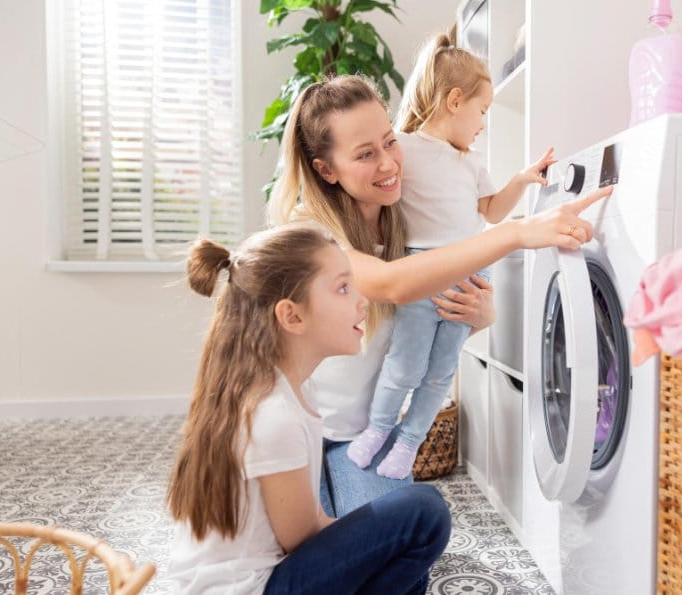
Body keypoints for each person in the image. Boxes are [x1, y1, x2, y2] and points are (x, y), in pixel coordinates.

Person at [269, 75, 611, 518]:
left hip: (367, 435)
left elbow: (415, 326)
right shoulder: (311, 233)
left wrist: (476, 319)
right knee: (319, 554)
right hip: (301, 434)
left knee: (400, 544)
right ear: (326, 170)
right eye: (365, 154)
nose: (389, 163)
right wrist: (516, 233)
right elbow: (391, 284)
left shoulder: (411, 224)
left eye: (390, 142)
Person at [166, 223, 451, 594]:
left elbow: (313, 527)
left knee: (408, 560)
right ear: (292, 316)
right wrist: (373, 542)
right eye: (343, 288)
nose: (362, 301)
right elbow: (301, 541)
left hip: (265, 578)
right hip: (253, 588)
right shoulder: (273, 413)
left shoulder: (288, 389)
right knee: (423, 512)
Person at [346, 29, 559, 479]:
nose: (483, 122)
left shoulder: (472, 162)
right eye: (482, 111)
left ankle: (407, 445)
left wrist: (521, 180)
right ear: (455, 101)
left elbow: (494, 213)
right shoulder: (404, 149)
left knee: (441, 374)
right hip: (420, 273)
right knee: (405, 365)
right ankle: (377, 431)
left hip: (468, 276)